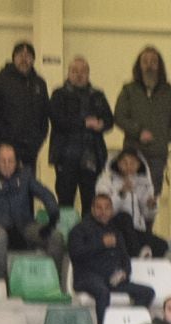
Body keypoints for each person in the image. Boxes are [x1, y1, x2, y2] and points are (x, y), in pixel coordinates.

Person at [0, 142, 64, 283]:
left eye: (11, 161)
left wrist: (52, 213)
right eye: (3, 161)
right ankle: (1, 284)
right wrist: (8, 225)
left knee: (56, 237)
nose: (7, 164)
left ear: (16, 162)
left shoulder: (25, 175)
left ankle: (55, 282)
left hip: (25, 225)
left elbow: (44, 193)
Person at [68, 191, 152, 324]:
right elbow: (76, 254)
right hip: (87, 278)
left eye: (107, 208)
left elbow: (125, 258)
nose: (103, 211)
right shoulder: (79, 230)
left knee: (147, 292)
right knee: (102, 292)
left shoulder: (116, 231)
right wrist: (101, 244)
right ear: (92, 210)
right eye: (99, 208)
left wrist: (124, 273)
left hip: (112, 279)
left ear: (112, 210)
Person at [48, 57, 113, 212]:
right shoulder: (58, 94)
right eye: (75, 71)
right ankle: (65, 235)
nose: (79, 75)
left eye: (83, 71)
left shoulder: (98, 95)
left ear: (88, 73)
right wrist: (84, 123)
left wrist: (101, 125)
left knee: (91, 202)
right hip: (65, 156)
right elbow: (57, 120)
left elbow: (110, 119)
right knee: (65, 202)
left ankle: (89, 235)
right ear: (68, 73)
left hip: (92, 158)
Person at [0, 41, 48, 175]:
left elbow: (44, 116)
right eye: (20, 55)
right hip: (1, 148)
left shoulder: (39, 83)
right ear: (13, 58)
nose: (24, 59)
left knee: (25, 190)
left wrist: (37, 141)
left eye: (28, 55)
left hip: (29, 150)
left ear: (33, 59)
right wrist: (3, 138)